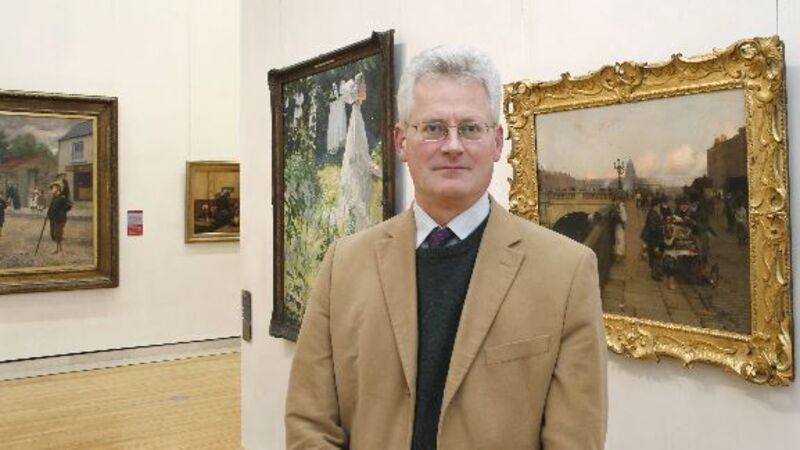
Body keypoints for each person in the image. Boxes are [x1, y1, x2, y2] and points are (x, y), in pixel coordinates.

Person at [285, 45, 607, 450]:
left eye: (470, 128)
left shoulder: (566, 272)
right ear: (401, 141)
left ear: (497, 142)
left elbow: (574, 440)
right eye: (434, 127)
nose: (453, 145)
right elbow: (310, 422)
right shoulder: (344, 264)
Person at [46, 180, 72, 254]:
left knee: (57, 233)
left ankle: (58, 249)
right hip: (53, 219)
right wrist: (49, 214)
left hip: (60, 219)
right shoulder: (54, 198)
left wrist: (62, 211)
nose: (52, 190)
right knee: (53, 234)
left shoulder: (62, 198)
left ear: (58, 189)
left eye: (53, 188)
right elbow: (52, 208)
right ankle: (59, 248)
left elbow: (69, 205)